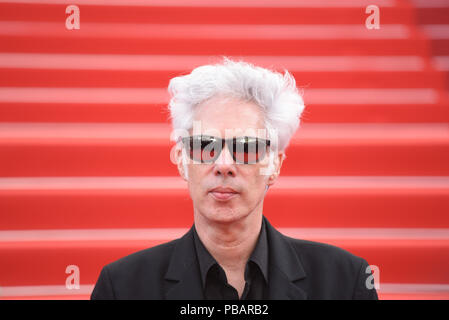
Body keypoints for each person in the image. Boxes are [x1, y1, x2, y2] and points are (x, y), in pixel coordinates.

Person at [91, 58, 378, 300]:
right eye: (205, 145)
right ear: (181, 160)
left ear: (274, 165)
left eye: (247, 147)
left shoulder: (344, 282)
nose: (224, 164)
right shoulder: (122, 288)